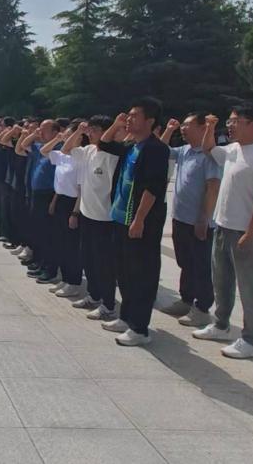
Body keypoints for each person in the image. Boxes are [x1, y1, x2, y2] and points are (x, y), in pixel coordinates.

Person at [194, 105, 253, 359]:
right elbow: (208, 148)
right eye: (229, 121)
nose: (230, 126)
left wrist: (251, 233)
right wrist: (210, 127)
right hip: (223, 226)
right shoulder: (233, 150)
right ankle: (221, 325)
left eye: (236, 121)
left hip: (246, 232)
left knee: (250, 288)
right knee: (221, 281)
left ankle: (250, 340)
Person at [97, 98, 170, 347]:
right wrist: (117, 124)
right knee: (124, 272)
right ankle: (126, 317)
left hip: (139, 223)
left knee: (141, 274)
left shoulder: (156, 149)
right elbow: (104, 143)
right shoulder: (131, 146)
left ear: (150, 121)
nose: (128, 119)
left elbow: (153, 188)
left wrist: (139, 219)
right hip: (120, 218)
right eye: (127, 115)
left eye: (134, 116)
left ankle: (139, 328)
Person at [159, 114, 221, 328]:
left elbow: (213, 188)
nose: (183, 129)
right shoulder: (185, 151)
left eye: (188, 125)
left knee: (200, 265)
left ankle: (202, 308)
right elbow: (160, 150)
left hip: (198, 221)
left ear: (203, 128)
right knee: (185, 262)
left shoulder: (209, 154)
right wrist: (169, 129)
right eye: (182, 125)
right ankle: (186, 300)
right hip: (181, 218)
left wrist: (203, 219)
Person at [64, 116, 119, 319]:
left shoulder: (112, 156)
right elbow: (66, 149)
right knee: (88, 259)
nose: (91, 133)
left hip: (105, 217)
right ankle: (94, 295)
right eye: (91, 130)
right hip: (87, 214)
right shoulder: (88, 151)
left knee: (104, 264)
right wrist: (79, 131)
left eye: (95, 130)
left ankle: (108, 304)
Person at [40, 122, 85, 299]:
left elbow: (81, 189)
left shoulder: (81, 158)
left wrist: (75, 213)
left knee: (71, 245)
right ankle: (66, 278)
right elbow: (44, 151)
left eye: (69, 134)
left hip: (72, 203)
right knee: (61, 242)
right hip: (60, 199)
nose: (66, 136)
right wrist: (57, 139)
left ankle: (73, 282)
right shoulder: (62, 156)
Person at [21, 120, 59, 283]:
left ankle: (49, 268)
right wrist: (34, 134)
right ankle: (39, 262)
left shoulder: (58, 149)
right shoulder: (39, 146)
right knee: (37, 231)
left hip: (48, 194)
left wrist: (56, 139)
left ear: (55, 132)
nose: (40, 132)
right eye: (39, 129)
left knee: (48, 234)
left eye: (44, 130)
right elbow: (23, 145)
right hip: (36, 194)